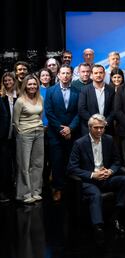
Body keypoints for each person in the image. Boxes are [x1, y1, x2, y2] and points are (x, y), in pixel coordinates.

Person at [67, 114, 125, 241]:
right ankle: (98, 227)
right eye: (96, 128)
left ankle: (116, 215)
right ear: (89, 127)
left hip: (105, 178)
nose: (99, 130)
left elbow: (117, 161)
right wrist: (93, 175)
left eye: (102, 128)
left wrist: (110, 171)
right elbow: (71, 168)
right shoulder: (79, 143)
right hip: (88, 181)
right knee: (95, 194)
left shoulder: (109, 140)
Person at [45, 64, 80, 202]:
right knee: (56, 162)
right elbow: (49, 112)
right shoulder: (51, 91)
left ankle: (70, 188)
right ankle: (57, 188)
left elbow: (79, 112)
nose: (65, 76)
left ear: (71, 75)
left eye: (68, 73)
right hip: (55, 134)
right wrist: (61, 129)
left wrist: (70, 128)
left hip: (72, 133)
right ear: (58, 75)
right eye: (63, 73)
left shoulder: (78, 91)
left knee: (70, 162)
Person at [13, 74, 44, 203]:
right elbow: (15, 121)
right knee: (24, 165)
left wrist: (39, 127)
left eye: (34, 84)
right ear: (25, 86)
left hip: (39, 133)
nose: (32, 86)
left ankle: (35, 192)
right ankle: (25, 194)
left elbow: (39, 115)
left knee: (37, 164)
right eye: (29, 84)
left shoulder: (40, 98)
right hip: (25, 134)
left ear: (37, 85)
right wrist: (21, 133)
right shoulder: (20, 101)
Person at [78, 64, 115, 136]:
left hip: (107, 128)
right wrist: (94, 122)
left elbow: (114, 109)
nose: (98, 75)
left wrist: (106, 121)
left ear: (104, 74)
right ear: (91, 75)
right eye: (96, 73)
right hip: (89, 129)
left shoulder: (111, 89)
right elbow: (81, 109)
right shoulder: (84, 90)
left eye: (101, 73)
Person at [0, 72, 18, 202]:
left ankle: (15, 190)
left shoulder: (19, 96)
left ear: (14, 81)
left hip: (17, 136)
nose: (7, 82)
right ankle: (3, 192)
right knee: (4, 166)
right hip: (3, 137)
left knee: (17, 165)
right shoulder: (1, 97)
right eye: (5, 81)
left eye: (9, 80)